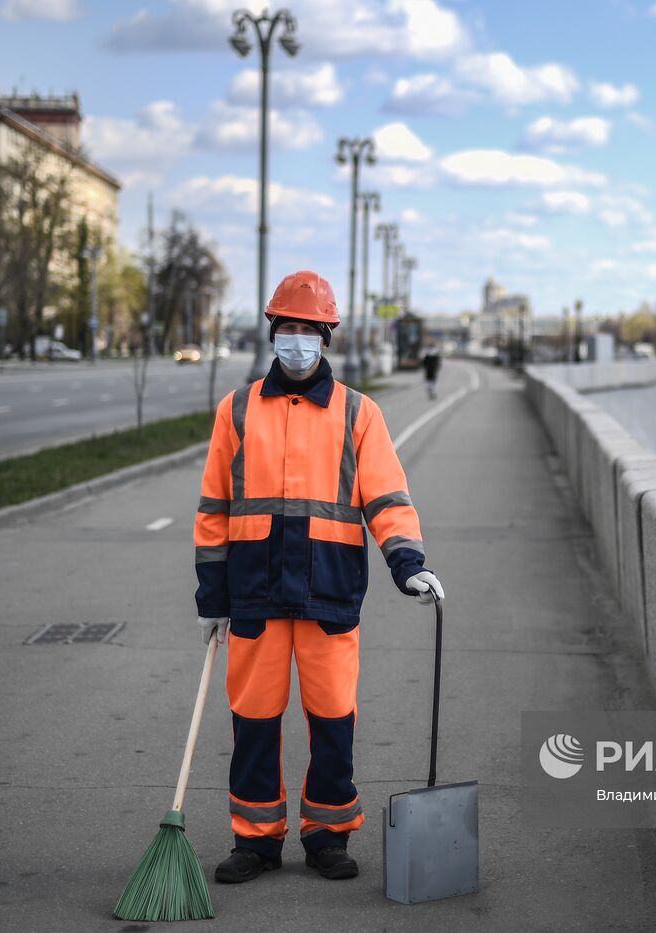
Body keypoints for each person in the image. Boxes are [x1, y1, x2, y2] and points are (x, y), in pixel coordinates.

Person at [192, 270, 446, 886]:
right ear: (273, 332)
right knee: (254, 719)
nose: (298, 341)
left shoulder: (358, 413)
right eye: (289, 329)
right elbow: (214, 507)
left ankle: (328, 833)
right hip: (254, 593)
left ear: (327, 337)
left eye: (310, 330)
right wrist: (213, 593)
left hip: (329, 592)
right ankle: (255, 838)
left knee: (332, 718)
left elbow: (387, 499)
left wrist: (408, 564)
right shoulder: (237, 410)